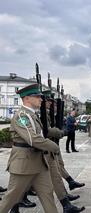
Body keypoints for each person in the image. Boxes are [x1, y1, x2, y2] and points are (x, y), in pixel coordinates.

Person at [0, 84, 60, 213]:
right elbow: (33, 139)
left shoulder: (32, 115)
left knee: (47, 194)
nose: (41, 99)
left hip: (39, 163)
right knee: (10, 198)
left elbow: (42, 133)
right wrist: (53, 146)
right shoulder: (22, 116)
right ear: (27, 98)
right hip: (23, 164)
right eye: (37, 96)